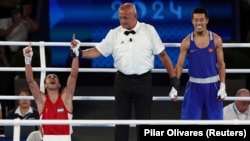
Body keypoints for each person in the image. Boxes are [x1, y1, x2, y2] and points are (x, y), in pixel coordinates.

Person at [71, 3, 180, 141]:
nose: (122, 21)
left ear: (135, 16)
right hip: (122, 81)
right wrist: (79, 52)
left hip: (143, 81)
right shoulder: (114, 33)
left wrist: (174, 79)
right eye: (120, 18)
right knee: (121, 122)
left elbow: (163, 55)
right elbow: (98, 51)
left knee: (144, 122)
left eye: (125, 18)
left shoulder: (148, 30)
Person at [175, 7, 227, 120]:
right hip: (194, 87)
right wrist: (174, 86)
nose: (199, 23)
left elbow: (221, 64)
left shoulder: (216, 39)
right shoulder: (187, 41)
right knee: (189, 125)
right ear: (192, 21)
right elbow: (179, 65)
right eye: (196, 20)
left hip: (213, 86)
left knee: (216, 123)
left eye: (201, 19)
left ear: (207, 20)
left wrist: (223, 85)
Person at [23, 38, 79, 141]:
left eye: (55, 77)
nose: (52, 77)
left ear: (59, 85)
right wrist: (27, 60)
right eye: (49, 77)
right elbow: (30, 81)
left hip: (65, 138)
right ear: (45, 85)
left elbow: (73, 76)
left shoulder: (66, 98)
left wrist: (75, 54)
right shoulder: (42, 100)